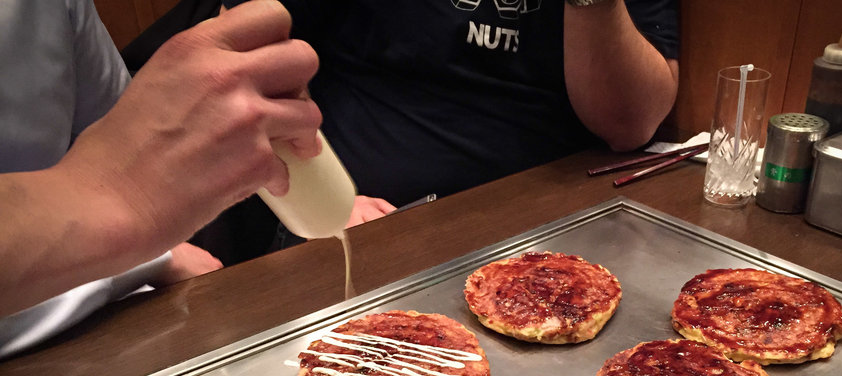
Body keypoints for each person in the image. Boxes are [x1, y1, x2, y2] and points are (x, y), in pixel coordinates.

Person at [130, 0, 679, 263]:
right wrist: (324, 207)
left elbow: (629, 126)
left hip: (551, 236)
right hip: (365, 227)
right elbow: (246, 64)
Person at [0, 1, 322, 346]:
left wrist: (161, 251)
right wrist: (123, 201)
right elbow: (125, 175)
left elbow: (115, 128)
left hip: (107, 303)